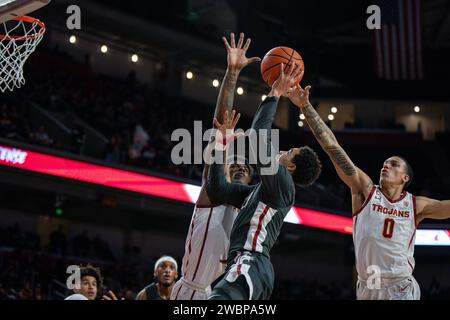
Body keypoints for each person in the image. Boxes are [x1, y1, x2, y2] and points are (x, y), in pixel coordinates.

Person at [286, 84, 450, 300]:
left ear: (405, 178)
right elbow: (333, 148)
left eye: (393, 164)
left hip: (400, 285)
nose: (386, 166)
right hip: (367, 286)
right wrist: (306, 106)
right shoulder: (365, 191)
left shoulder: (416, 205)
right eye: (384, 163)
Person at [206, 63, 322, 300]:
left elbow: (259, 138)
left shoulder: (283, 187)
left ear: (291, 167)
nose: (282, 150)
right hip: (251, 267)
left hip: (249, 260)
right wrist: (220, 144)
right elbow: (218, 188)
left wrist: (275, 93)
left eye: (289, 151)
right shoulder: (260, 193)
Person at [171, 32, 258, 300]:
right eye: (235, 163)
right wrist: (232, 73)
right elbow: (221, 121)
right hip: (190, 292)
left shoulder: (250, 213)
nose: (241, 166)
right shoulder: (213, 196)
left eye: (246, 165)